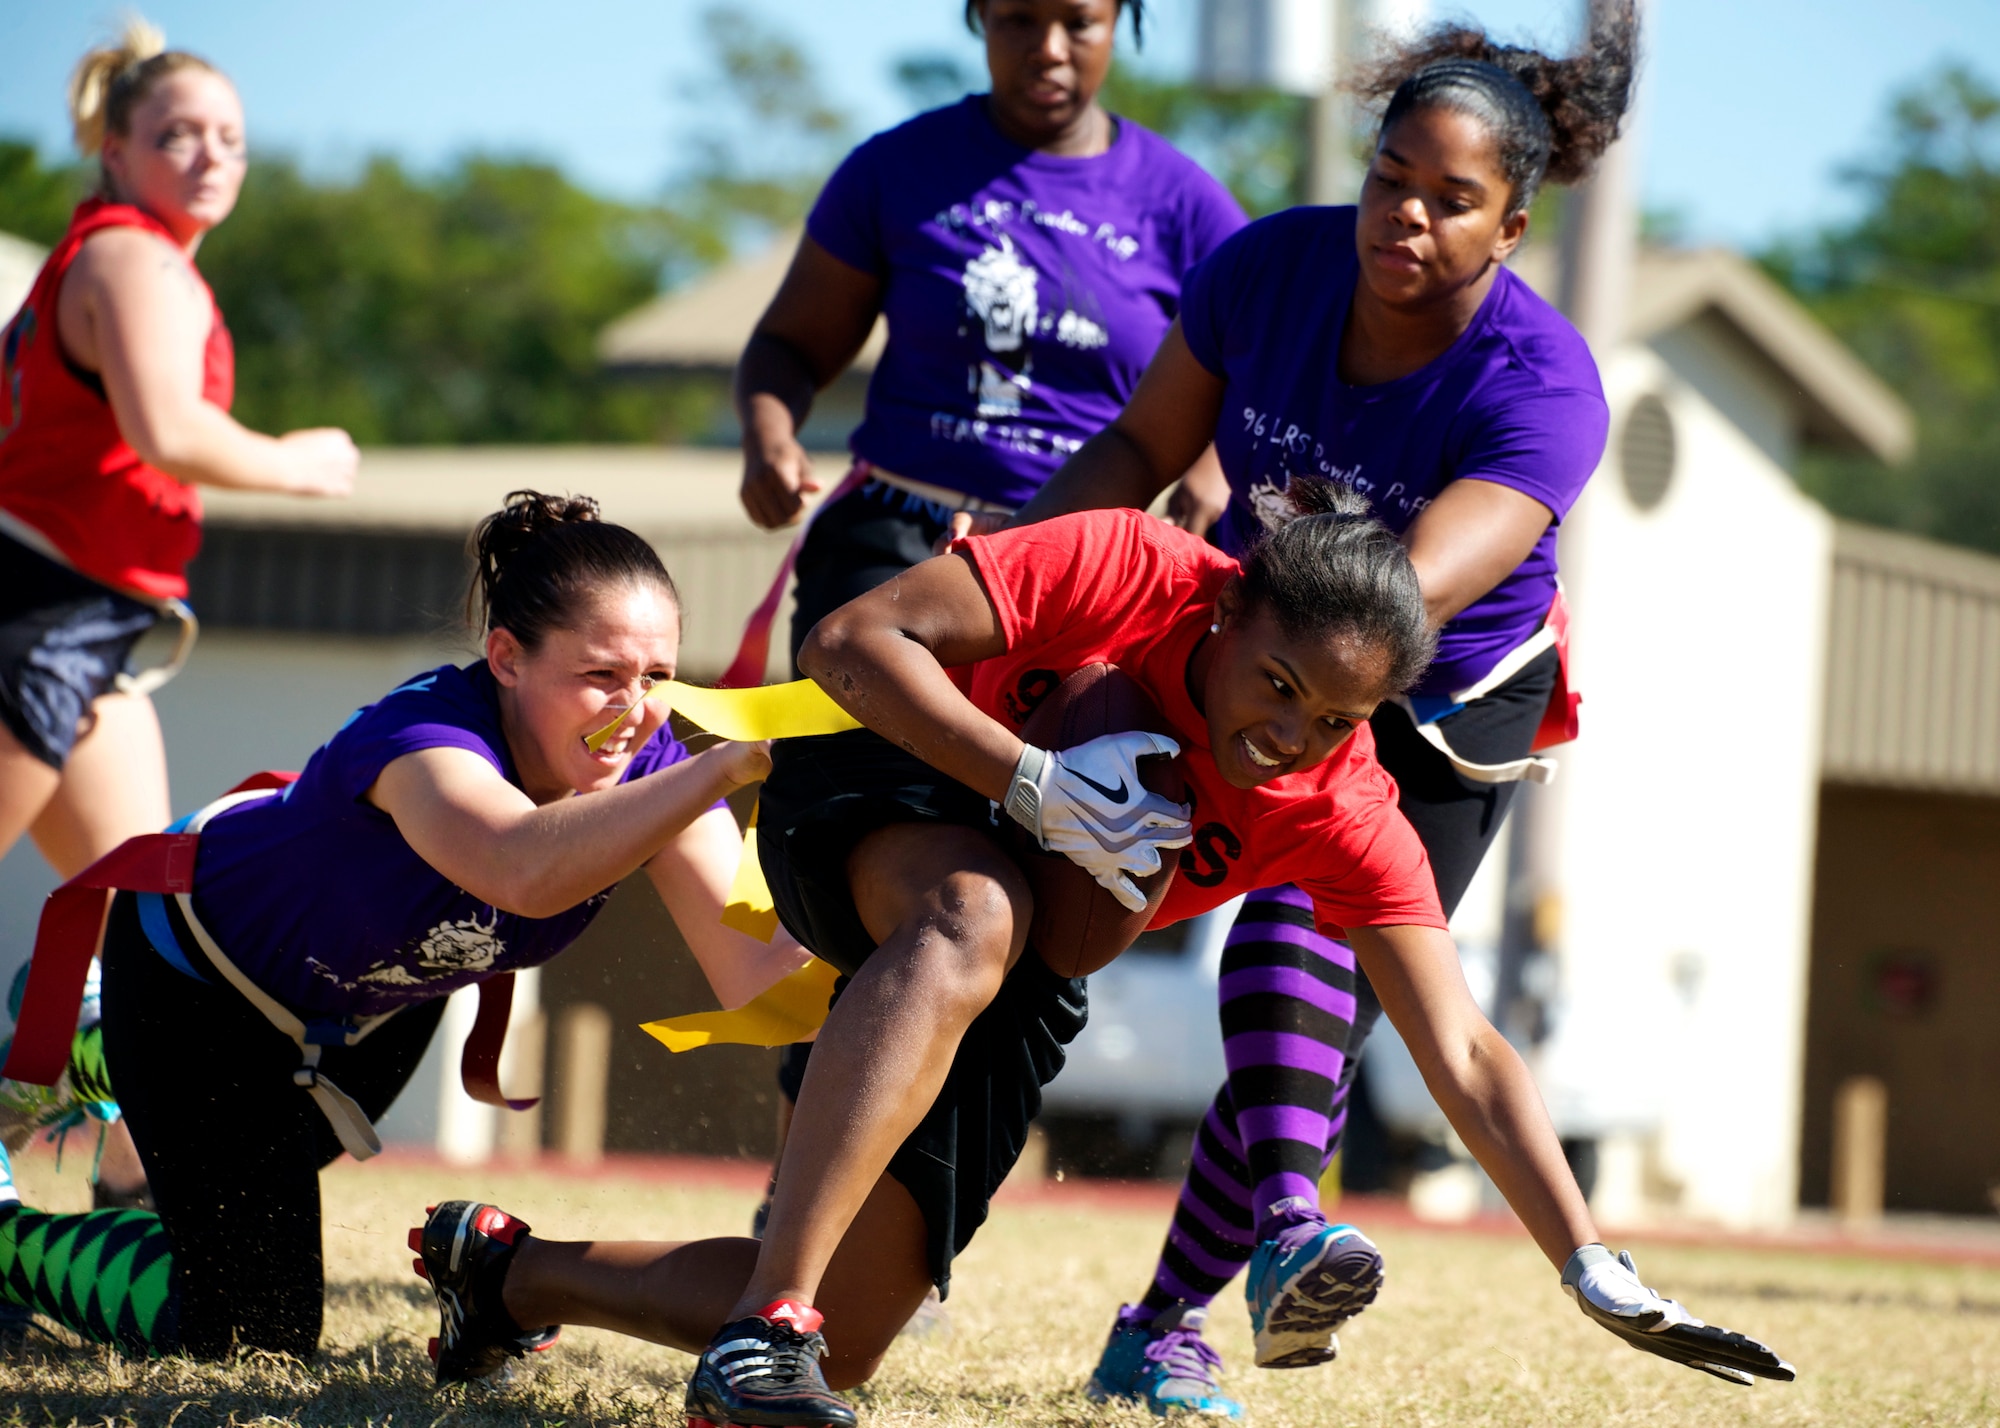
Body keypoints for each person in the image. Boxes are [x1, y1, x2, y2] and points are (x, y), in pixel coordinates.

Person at [410, 488, 1789, 1428]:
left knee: (862, 1332)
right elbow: (848, 643)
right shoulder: (1141, 565)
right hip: (891, 778)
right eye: (1279, 686)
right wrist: (1029, 778)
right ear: (1233, 608)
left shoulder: (1346, 802)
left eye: (1336, 719)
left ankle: (516, 1277)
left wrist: (1589, 1262)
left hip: (1028, 945)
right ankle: (768, 1316)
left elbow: (1469, 1052)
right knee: (982, 916)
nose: (1290, 738)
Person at [972, 7, 1644, 1412]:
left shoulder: (1547, 388)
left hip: (1437, 687)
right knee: (1258, 977)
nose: (1404, 215)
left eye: (1451, 201)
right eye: (1390, 176)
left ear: (1512, 230)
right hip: (1265, 635)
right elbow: (1142, 448)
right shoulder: (1269, 268)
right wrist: (992, 598)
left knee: (1311, 947)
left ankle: (1168, 1316)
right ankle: (1280, 1233)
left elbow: (1393, 613)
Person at [0, 492, 811, 1360]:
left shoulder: (659, 770)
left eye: (658, 678)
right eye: (601, 675)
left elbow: (767, 983)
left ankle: (98, 1060)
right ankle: (19, 1202)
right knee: (250, 1332)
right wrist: (724, 767)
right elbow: (525, 868)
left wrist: (941, 957)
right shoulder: (425, 736)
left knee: (238, 1204)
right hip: (195, 976)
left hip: (369, 1008)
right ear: (505, 657)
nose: (634, 710)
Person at [731, 0, 1244, 1244]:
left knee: (1005, 899)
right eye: (1017, 17)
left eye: (1079, 18)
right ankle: (803, 1213)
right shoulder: (900, 167)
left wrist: (1212, 493)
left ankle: (871, 1217)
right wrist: (768, 433)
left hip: (1073, 589)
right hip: (898, 561)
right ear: (974, 20)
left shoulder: (1186, 205)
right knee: (892, 879)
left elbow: (1235, 398)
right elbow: (791, 341)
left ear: (1124, 22)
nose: (1048, 46)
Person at [0, 19, 355, 1212]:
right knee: (130, 937)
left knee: (132, 939)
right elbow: (167, 432)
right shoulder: (130, 260)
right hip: (33, 617)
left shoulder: (128, 259)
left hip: (87, 633)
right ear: (114, 146)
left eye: (231, 140)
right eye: (177, 135)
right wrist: (299, 460)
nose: (210, 157)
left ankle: (113, 1183)